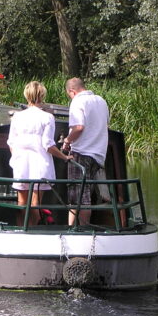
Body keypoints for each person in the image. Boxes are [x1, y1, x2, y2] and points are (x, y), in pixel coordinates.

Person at [7, 81, 71, 226]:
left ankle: (22, 229)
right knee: (36, 202)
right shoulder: (47, 117)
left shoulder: (17, 117)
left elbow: (11, 142)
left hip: (20, 162)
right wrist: (64, 156)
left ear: (26, 95)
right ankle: (34, 229)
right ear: (42, 95)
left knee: (22, 202)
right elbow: (48, 145)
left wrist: (16, 158)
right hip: (40, 163)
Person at [62, 77, 109, 225]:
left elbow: (78, 128)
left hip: (81, 153)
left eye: (69, 94)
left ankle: (77, 230)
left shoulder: (77, 101)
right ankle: (82, 229)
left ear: (72, 91)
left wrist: (67, 141)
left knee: (78, 197)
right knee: (86, 192)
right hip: (99, 154)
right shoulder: (101, 100)